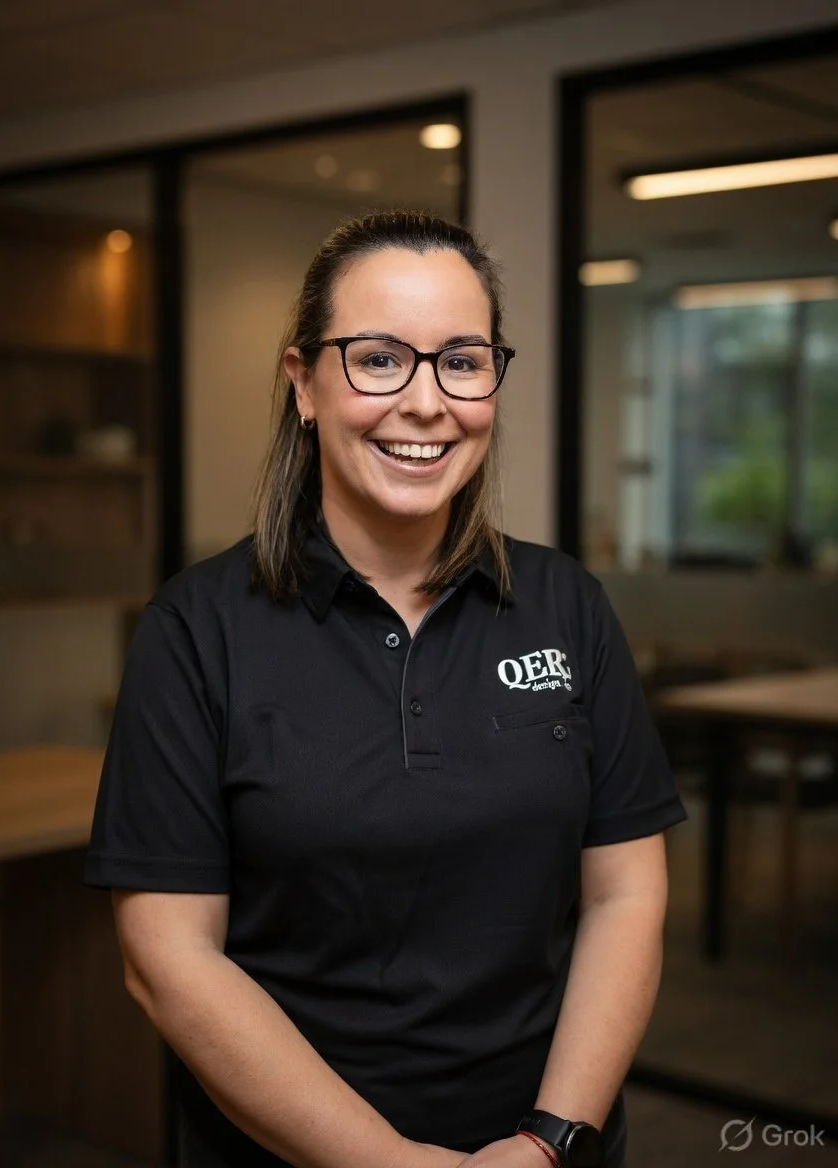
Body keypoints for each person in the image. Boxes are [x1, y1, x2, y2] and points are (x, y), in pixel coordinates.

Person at [84, 210, 686, 1168]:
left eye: (462, 358)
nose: (426, 401)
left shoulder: (565, 605)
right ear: (305, 383)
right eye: (377, 358)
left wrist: (552, 1136)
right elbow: (170, 959)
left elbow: (624, 897)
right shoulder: (197, 630)